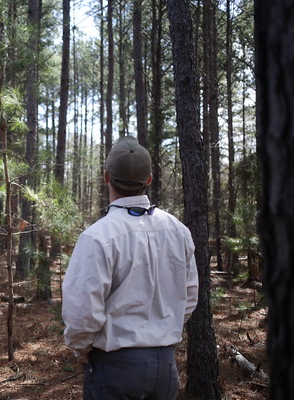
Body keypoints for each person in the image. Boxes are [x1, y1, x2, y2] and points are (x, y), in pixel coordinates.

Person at [62, 136, 199, 400]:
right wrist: (162, 330)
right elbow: (189, 297)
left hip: (115, 368)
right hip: (165, 368)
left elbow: (82, 310)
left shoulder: (98, 236)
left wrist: (81, 351)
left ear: (106, 177)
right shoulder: (178, 231)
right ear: (149, 180)